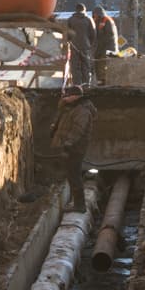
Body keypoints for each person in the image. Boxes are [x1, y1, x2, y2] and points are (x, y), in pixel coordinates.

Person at [48, 85, 97, 213]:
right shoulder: (72, 107)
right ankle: (77, 203)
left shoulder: (82, 111)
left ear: (75, 96)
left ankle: (80, 205)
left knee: (74, 176)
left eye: (68, 96)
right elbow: (61, 117)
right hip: (70, 146)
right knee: (71, 175)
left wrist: (68, 145)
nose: (65, 98)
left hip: (75, 148)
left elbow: (77, 130)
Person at [67, 3, 96, 86]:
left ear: (76, 10)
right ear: (84, 10)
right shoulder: (89, 19)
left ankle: (76, 85)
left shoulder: (70, 20)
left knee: (75, 67)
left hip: (74, 46)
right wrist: (90, 44)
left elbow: (67, 34)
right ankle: (86, 85)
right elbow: (93, 34)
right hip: (85, 46)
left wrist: (70, 42)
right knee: (86, 66)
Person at [92, 5, 119, 85]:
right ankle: (101, 81)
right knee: (99, 64)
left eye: (95, 15)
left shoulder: (107, 21)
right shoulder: (100, 21)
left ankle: (103, 82)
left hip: (108, 48)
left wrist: (99, 47)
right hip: (103, 47)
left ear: (98, 14)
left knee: (102, 64)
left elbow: (108, 36)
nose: (94, 17)